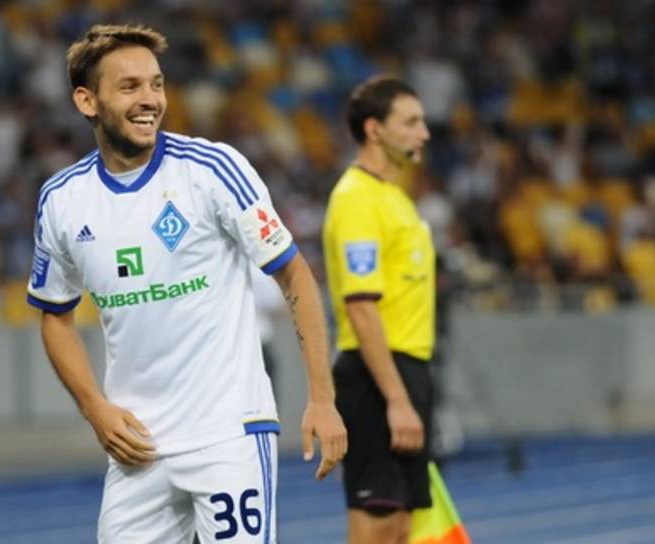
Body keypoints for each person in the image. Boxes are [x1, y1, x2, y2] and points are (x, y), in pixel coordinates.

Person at [26, 24, 346, 543]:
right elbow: (54, 317)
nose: (150, 99)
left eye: (156, 84)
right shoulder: (62, 200)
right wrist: (95, 408)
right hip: (137, 449)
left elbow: (295, 275)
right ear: (87, 101)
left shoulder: (212, 170)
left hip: (228, 435)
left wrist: (322, 399)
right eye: (129, 86)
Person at [322, 75, 434, 544]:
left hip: (407, 368)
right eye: (410, 122)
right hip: (375, 377)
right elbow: (361, 308)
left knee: (402, 525)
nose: (424, 133)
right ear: (374, 129)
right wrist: (396, 399)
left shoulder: (396, 197)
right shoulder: (357, 199)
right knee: (377, 523)